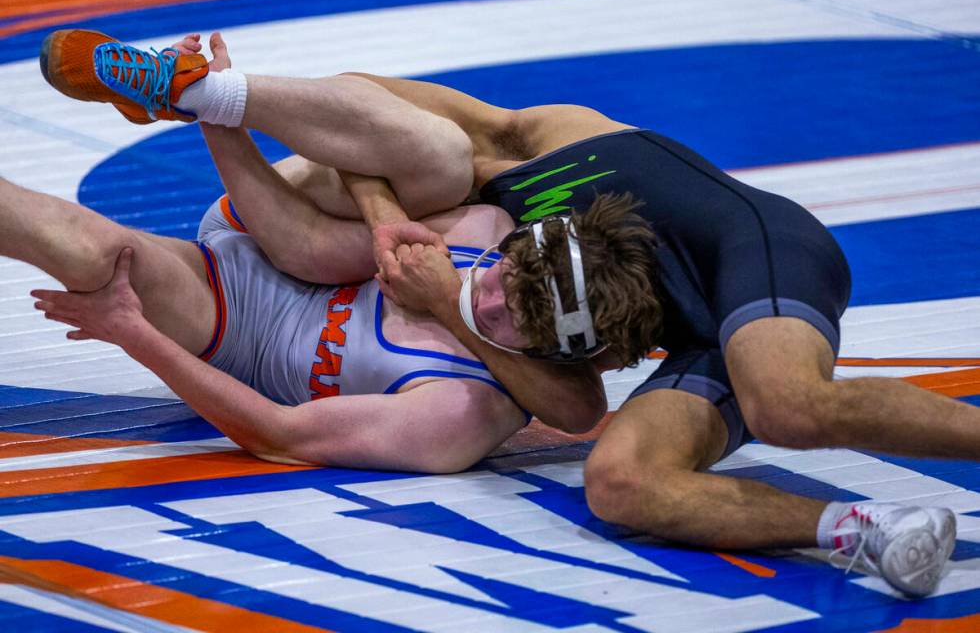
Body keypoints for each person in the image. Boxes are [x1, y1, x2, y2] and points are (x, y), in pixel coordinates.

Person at [38, 29, 975, 598]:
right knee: (619, 482)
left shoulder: (561, 146)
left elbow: (567, 404)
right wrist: (380, 213)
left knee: (787, 407)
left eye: (490, 288)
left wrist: (447, 297)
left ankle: (209, 95)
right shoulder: (479, 179)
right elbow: (359, 115)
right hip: (592, 300)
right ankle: (863, 532)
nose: (482, 285)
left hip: (749, 255)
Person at [4, 141, 529, 473]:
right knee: (437, 161)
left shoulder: (462, 415)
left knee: (94, 253)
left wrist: (131, 331)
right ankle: (200, 87)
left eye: (504, 318)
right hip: (281, 228)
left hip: (233, 318)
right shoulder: (485, 234)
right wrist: (220, 115)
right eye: (498, 277)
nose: (482, 295)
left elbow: (277, 436)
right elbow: (311, 241)